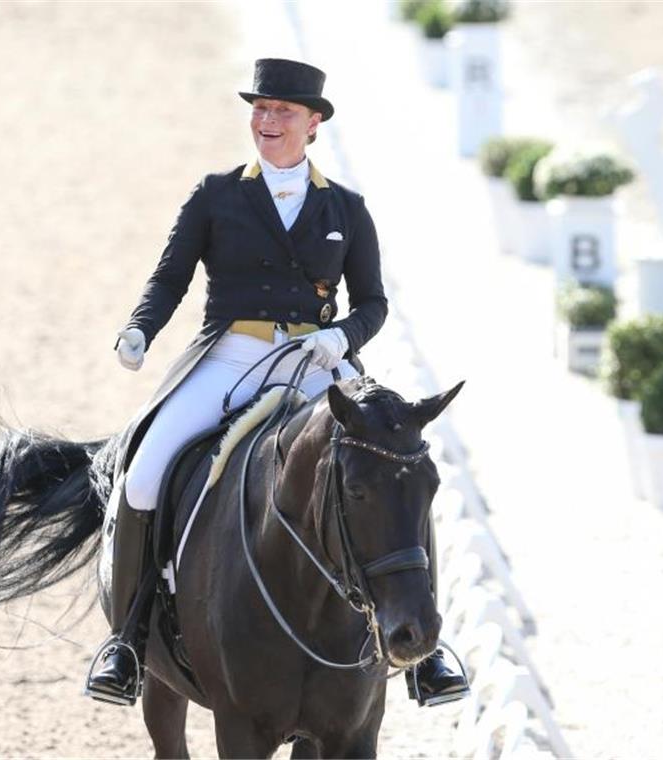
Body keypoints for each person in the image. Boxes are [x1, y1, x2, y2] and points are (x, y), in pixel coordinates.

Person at [85, 58, 468, 708]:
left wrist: (341, 338)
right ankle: (127, 640)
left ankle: (426, 654)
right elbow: (169, 278)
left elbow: (373, 301)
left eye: (282, 111)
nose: (266, 121)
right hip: (230, 356)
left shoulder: (346, 207)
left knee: (396, 463)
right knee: (145, 474)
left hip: (317, 363)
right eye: (259, 109)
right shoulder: (216, 196)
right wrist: (140, 329)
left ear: (313, 124)